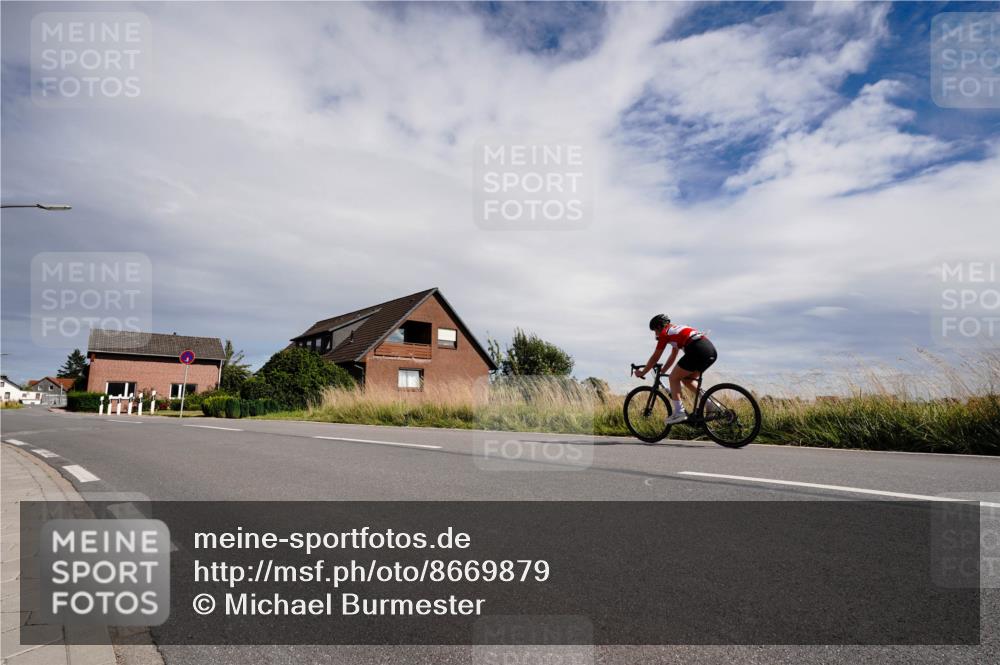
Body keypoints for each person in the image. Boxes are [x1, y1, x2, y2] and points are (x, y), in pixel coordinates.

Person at [635, 314, 717, 424]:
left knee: (673, 378)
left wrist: (643, 372)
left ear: (659, 327)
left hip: (696, 350)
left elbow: (655, 357)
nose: (655, 334)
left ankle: (679, 412)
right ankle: (710, 404)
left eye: (655, 331)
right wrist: (662, 372)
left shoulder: (665, 333)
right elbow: (673, 356)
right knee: (687, 380)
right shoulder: (676, 330)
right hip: (710, 351)